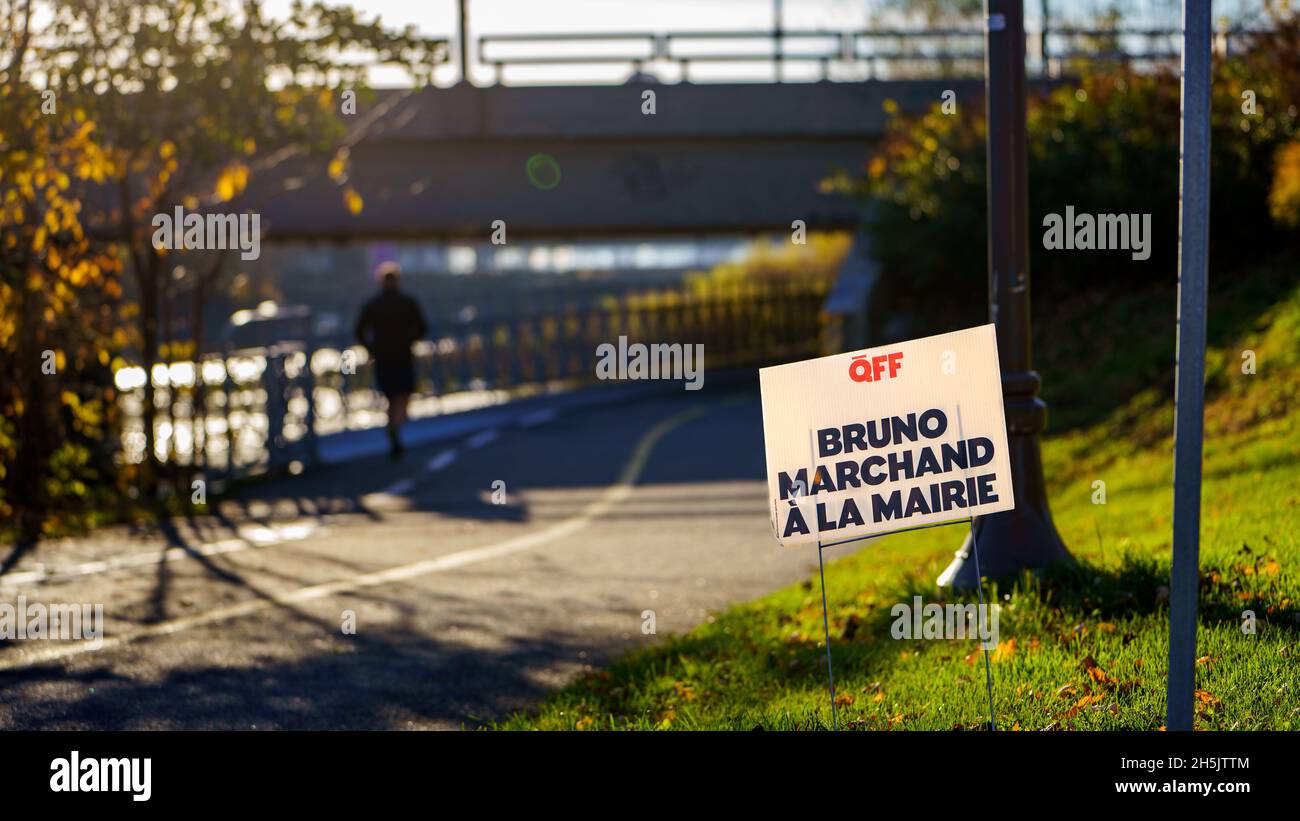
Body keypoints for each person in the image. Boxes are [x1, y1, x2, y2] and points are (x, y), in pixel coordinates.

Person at [355, 262, 428, 458]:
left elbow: (359, 331)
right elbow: (422, 327)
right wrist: (410, 340)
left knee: (391, 396)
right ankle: (396, 429)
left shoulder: (373, 304)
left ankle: (393, 430)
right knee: (403, 395)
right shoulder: (407, 302)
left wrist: (372, 348)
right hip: (403, 355)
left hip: (383, 358)